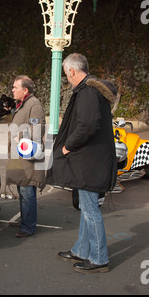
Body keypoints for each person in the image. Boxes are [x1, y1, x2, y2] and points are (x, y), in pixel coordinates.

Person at [46, 53, 117, 274]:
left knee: (89, 211)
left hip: (88, 162)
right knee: (88, 208)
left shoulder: (87, 91)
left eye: (66, 73)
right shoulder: (94, 90)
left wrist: (67, 146)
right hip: (93, 160)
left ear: (72, 71)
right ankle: (82, 250)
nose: (67, 78)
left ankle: (98, 259)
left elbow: (87, 125)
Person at [5, 75, 46, 238]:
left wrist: (19, 136)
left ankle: (28, 226)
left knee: (27, 190)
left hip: (27, 157)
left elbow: (38, 129)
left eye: (15, 87)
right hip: (22, 156)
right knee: (23, 189)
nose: (13, 90)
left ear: (25, 90)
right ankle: (25, 221)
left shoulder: (33, 104)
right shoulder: (24, 104)